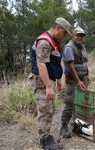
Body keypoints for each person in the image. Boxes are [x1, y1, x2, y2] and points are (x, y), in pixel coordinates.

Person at [30, 17, 71, 149]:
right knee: (45, 111)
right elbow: (41, 65)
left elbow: (54, 63)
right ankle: (45, 141)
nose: (64, 36)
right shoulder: (45, 41)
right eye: (64, 32)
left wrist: (58, 79)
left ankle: (47, 137)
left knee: (50, 109)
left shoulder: (54, 42)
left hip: (49, 80)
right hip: (42, 82)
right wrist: (48, 86)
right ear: (58, 28)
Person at [59, 27, 90, 138]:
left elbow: (85, 62)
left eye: (81, 35)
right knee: (70, 103)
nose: (79, 37)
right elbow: (70, 66)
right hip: (73, 80)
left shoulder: (82, 46)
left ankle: (77, 125)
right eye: (77, 35)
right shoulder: (69, 48)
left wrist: (88, 75)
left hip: (83, 78)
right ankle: (63, 128)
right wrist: (77, 81)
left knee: (81, 102)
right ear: (73, 35)